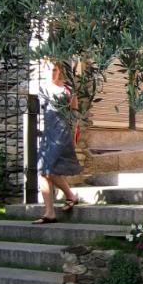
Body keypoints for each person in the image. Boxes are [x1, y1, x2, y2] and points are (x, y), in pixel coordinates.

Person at [33, 62, 82, 224]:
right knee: (42, 172)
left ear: (59, 70)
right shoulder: (43, 88)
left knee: (48, 170)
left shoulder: (67, 89)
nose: (52, 72)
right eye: (50, 70)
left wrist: (74, 132)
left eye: (55, 69)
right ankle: (50, 213)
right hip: (48, 134)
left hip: (62, 132)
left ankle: (70, 195)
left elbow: (75, 111)